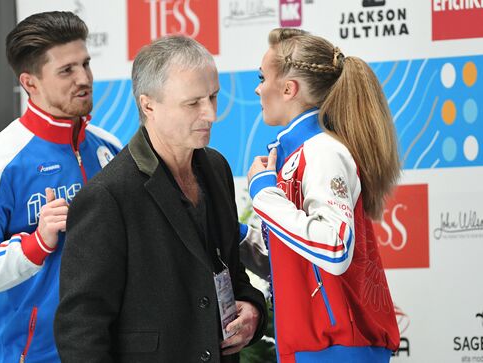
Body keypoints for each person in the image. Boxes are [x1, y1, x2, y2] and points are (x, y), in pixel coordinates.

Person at [54, 35, 267, 362]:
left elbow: (229, 270)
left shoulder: (216, 167)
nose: (210, 114)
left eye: (213, 97)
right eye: (193, 102)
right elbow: (81, 328)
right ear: (148, 104)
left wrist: (252, 307)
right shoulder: (107, 196)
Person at [0, 11, 121, 363]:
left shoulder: (109, 148)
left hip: (103, 352)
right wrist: (36, 244)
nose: (84, 78)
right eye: (66, 70)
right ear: (30, 83)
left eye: (85, 64)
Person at [247, 28, 401, 362]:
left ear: (289, 89)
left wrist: (263, 193)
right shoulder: (295, 153)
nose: (258, 88)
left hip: (336, 350)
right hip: (310, 347)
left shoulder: (323, 151)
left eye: (262, 77)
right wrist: (241, 238)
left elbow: (333, 246)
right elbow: (300, 260)